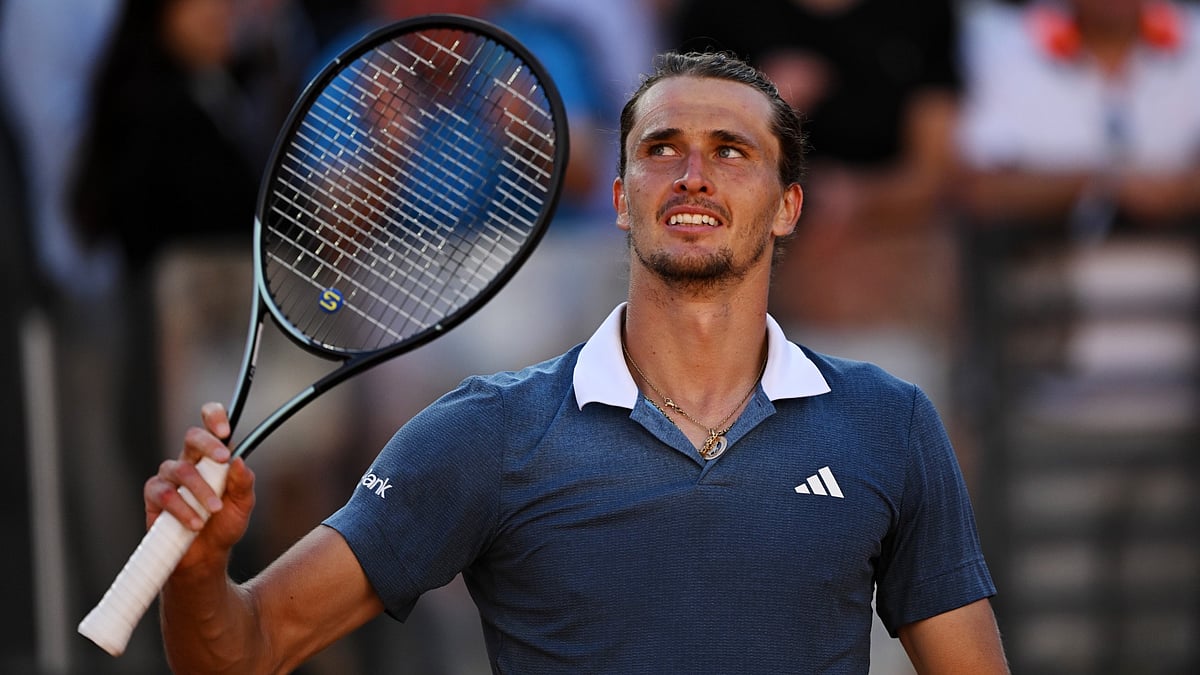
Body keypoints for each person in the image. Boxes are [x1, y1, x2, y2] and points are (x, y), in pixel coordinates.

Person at [146, 51, 1008, 673]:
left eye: (732, 151)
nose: (694, 174)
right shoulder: (485, 431)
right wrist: (194, 575)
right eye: (662, 147)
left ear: (787, 208)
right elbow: (247, 648)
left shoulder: (889, 421)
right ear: (621, 198)